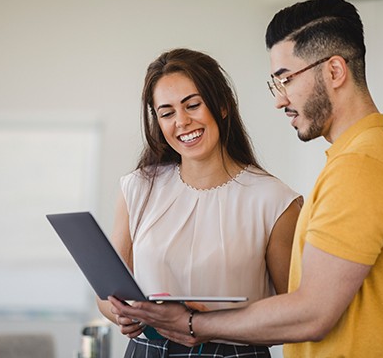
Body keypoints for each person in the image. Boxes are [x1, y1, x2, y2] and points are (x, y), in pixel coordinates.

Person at [109, 0, 383, 357]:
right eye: (166, 112)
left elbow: (311, 312)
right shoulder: (374, 153)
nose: (280, 100)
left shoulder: (360, 167)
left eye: (286, 79)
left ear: (335, 71)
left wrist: (192, 325)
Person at [96, 48, 303, 357]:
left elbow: (296, 313)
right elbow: (106, 295)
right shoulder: (137, 188)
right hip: (147, 349)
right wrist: (122, 314)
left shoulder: (274, 200)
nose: (182, 122)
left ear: (221, 106)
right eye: (167, 113)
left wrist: (203, 324)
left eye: (192, 105)